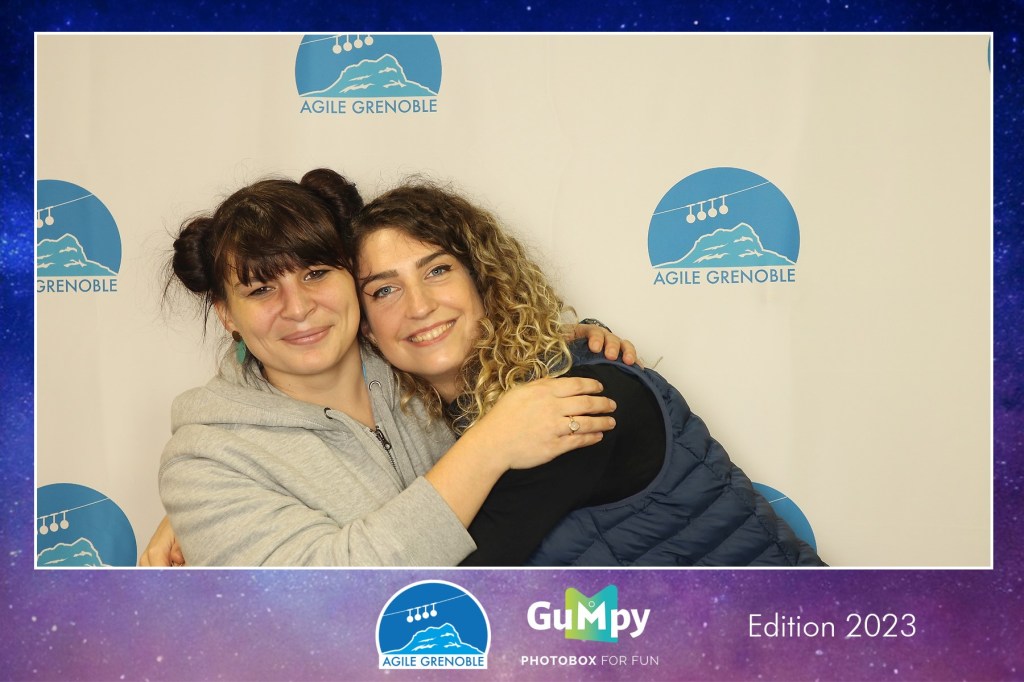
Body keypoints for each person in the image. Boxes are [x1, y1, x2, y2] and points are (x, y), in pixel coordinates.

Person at [153, 168, 628, 567]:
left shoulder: (413, 362)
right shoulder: (208, 459)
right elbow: (325, 596)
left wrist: (563, 342)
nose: (297, 308)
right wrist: (489, 446)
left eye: (316, 273)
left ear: (353, 278)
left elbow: (482, 337)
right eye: (261, 290)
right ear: (227, 314)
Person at [350, 181, 826, 566]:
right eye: (385, 290)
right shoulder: (449, 422)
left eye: (437, 271)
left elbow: (440, 591)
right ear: (367, 328)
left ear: (483, 282)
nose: (419, 306)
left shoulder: (575, 402)